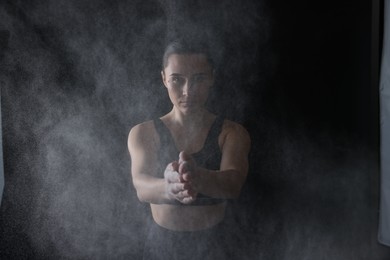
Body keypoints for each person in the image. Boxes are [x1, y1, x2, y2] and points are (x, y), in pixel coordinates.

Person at [127, 39, 251, 259]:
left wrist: (199, 178)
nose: (188, 91)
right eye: (177, 79)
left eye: (199, 79)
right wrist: (170, 188)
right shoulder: (143, 132)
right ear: (164, 78)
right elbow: (140, 185)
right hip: (160, 246)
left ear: (212, 77)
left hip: (218, 245)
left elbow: (233, 184)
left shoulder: (231, 132)